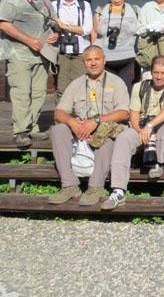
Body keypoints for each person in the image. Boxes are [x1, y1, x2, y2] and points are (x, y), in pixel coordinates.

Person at [47, 45, 130, 206]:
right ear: (84, 62)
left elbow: (124, 113)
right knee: (58, 130)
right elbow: (59, 112)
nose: (93, 63)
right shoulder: (76, 84)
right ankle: (69, 185)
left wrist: (97, 121)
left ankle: (95, 188)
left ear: (104, 60)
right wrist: (72, 123)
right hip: (80, 129)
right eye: (89, 60)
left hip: (105, 129)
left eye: (96, 59)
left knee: (107, 136)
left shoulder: (116, 82)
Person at [100, 55, 164, 210]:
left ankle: (157, 162)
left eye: (163, 73)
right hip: (142, 126)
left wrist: (150, 126)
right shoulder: (139, 87)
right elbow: (133, 115)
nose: (159, 77)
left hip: (162, 125)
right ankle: (118, 190)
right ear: (151, 72)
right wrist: (142, 131)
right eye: (156, 72)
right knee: (124, 138)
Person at [0, 0, 59, 148]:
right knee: (21, 92)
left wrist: (55, 35)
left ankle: (33, 127)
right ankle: (21, 131)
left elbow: (54, 24)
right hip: (18, 55)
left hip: (42, 56)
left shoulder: (46, 2)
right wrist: (29, 40)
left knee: (39, 93)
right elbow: (3, 24)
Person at [52, 0, 93, 102]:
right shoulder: (54, 5)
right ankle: (61, 112)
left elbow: (87, 29)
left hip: (80, 51)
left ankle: (81, 112)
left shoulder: (84, 5)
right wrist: (62, 28)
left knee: (81, 84)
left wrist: (65, 27)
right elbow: (51, 25)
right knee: (62, 86)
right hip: (61, 51)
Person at [94, 0, 139, 91]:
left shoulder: (134, 9)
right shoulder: (101, 10)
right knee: (108, 89)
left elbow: (141, 30)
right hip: (107, 59)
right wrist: (94, 52)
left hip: (127, 58)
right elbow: (95, 32)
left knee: (125, 88)